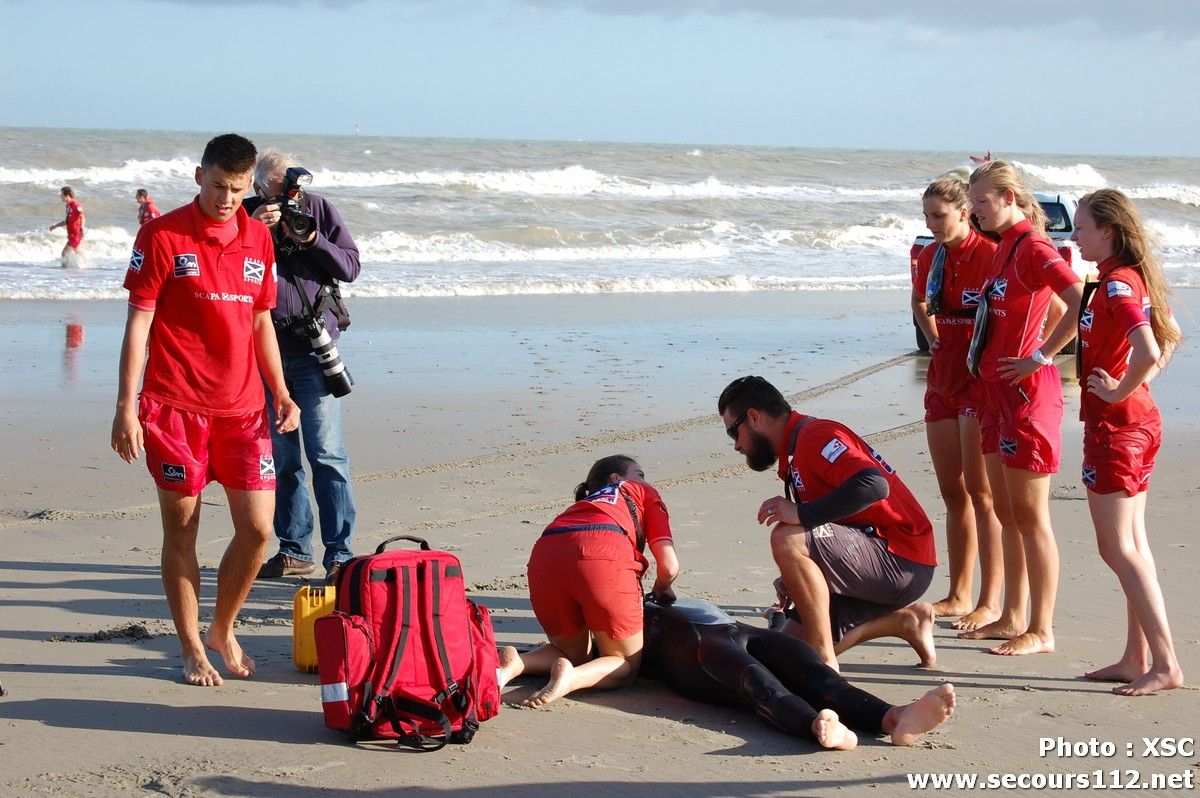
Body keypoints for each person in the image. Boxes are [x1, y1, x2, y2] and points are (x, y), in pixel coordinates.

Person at [110, 133, 300, 687]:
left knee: (260, 530)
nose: (226, 199)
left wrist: (281, 391)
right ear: (199, 176)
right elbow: (139, 322)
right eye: (218, 186)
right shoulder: (162, 235)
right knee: (183, 531)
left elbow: (261, 322)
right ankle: (192, 646)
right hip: (174, 409)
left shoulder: (257, 240)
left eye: (238, 190)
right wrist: (127, 407)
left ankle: (222, 628)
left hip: (242, 410)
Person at [717, 376, 938, 671]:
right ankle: (906, 622)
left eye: (734, 433)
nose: (737, 446)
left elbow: (873, 485)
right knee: (782, 661)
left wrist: (801, 514)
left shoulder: (817, 436)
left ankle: (825, 659)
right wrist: (795, 575)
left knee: (787, 537)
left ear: (754, 417)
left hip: (902, 558)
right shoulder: (797, 448)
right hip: (878, 559)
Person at [959, 160, 1083, 656]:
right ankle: (1012, 615)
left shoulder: (1033, 245)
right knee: (1007, 511)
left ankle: (1042, 628)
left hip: (1028, 396)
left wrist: (1039, 355)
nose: (976, 212)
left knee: (1032, 518)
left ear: (1010, 197)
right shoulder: (1003, 247)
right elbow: (1035, 306)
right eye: (973, 203)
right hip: (992, 393)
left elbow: (1076, 299)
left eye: (983, 202)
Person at [1072, 189, 1184, 696]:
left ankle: (1165, 663)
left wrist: (1122, 387)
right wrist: (1140, 383)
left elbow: (1154, 344)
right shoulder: (1124, 279)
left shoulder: (1118, 284)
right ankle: (1137, 656)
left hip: (1119, 431)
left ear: (1108, 231)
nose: (1073, 236)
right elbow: (1174, 335)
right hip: (1134, 425)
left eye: (1081, 227)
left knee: (1118, 547)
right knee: (1132, 544)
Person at [246, 151, 361, 584]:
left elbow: (350, 266)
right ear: (260, 188)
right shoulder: (244, 215)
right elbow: (222, 268)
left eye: (293, 188)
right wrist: (251, 229)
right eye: (280, 191)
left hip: (314, 350)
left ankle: (340, 555)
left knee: (327, 455)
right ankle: (294, 549)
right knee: (281, 458)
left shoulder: (317, 209)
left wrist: (312, 240)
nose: (290, 198)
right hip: (264, 353)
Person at [640, 596, 956, 749]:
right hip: (696, 651)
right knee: (760, 684)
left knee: (819, 675)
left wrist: (777, 619)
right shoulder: (612, 617)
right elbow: (612, 659)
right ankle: (816, 725)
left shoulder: (650, 591)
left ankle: (894, 716)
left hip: (741, 630)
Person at [496, 455, 679, 707]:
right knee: (623, 662)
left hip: (547, 553)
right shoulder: (642, 491)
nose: (645, 480)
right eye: (640, 474)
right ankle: (571, 679)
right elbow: (669, 567)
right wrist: (662, 588)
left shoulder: (582, 504)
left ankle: (518, 663)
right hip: (604, 552)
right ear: (616, 478)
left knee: (574, 654)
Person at [911, 177, 1003, 631]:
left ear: (965, 212)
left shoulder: (991, 255)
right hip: (941, 380)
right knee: (952, 492)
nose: (932, 224)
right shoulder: (930, 255)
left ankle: (989, 600)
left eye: (939, 215)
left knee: (982, 494)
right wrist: (932, 337)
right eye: (926, 216)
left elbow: (1029, 309)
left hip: (977, 385)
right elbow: (918, 300)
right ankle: (959, 591)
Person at [49, 185, 85, 264]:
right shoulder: (68, 206)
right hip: (71, 235)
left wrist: (82, 229)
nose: (60, 197)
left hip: (75, 235)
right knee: (78, 252)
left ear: (67, 196)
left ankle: (65, 270)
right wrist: (55, 226)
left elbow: (82, 215)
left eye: (62, 195)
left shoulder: (75, 205)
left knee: (64, 254)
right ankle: (83, 266)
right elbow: (66, 221)